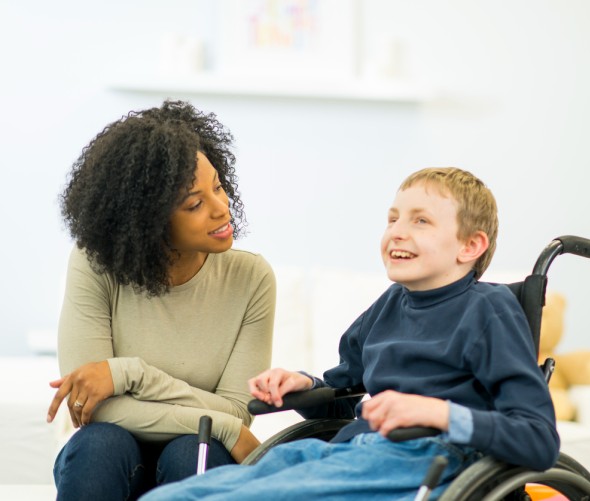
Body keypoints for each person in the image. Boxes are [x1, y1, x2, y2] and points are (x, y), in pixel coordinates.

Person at [143, 167, 559, 501]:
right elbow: (340, 398)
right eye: (393, 218)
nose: (397, 231)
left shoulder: (488, 310)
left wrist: (435, 413)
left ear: (470, 246)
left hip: (426, 460)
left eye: (421, 221)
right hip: (349, 450)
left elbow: (538, 439)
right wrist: (301, 384)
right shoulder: (389, 305)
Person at [46, 100, 276, 500]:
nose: (223, 209)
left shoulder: (251, 279)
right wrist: (218, 424)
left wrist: (123, 375)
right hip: (110, 461)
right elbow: (92, 409)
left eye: (218, 187)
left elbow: (239, 412)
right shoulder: (93, 265)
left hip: (198, 457)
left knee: (194, 451)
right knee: (102, 441)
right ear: (146, 220)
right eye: (194, 204)